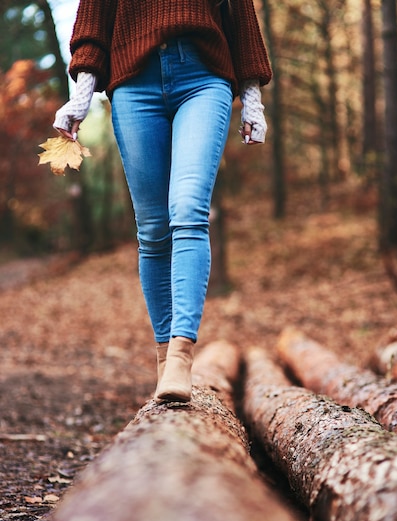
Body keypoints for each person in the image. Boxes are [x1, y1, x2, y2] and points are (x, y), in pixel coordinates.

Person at [54, 0, 272, 404]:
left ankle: (180, 356)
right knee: (153, 230)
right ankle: (162, 361)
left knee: (188, 210)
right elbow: (93, 22)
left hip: (204, 78)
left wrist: (253, 100)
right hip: (134, 83)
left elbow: (241, 20)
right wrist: (81, 95)